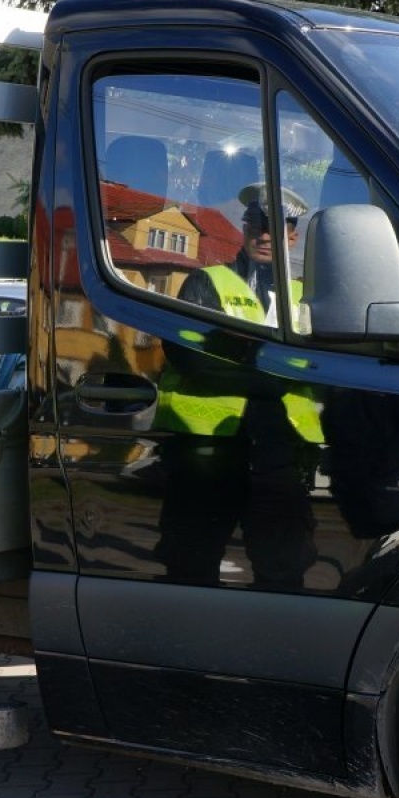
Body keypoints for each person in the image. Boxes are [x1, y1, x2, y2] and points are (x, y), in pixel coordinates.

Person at [153, 183, 322, 589]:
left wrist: (241, 358)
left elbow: (321, 366)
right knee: (190, 567)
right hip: (207, 454)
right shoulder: (206, 283)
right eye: (258, 224)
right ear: (244, 227)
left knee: (284, 570)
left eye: (278, 226)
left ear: (293, 235)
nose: (266, 235)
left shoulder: (308, 298)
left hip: (281, 453)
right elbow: (192, 357)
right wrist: (273, 378)